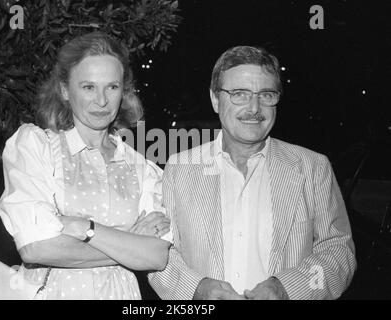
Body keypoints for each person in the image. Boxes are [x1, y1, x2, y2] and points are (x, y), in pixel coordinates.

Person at [148, 46, 356, 300]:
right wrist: (197, 289)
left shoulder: (313, 167)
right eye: (239, 94)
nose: (254, 108)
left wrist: (287, 288)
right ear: (215, 99)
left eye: (266, 94)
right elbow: (157, 252)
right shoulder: (179, 169)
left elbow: (339, 251)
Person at [0, 31, 172, 300]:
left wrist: (82, 227)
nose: (101, 101)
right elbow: (35, 247)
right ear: (65, 90)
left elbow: (156, 256)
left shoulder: (141, 167)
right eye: (88, 87)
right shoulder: (37, 147)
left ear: (123, 91)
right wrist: (129, 240)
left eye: (112, 87)